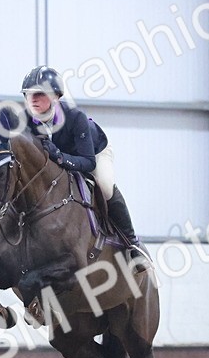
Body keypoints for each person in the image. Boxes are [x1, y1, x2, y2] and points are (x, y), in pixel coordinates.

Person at [19, 65, 149, 267]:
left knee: (105, 185)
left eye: (39, 94)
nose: (32, 99)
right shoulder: (25, 119)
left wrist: (60, 157)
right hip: (61, 156)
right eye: (28, 95)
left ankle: (133, 244)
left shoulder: (75, 118)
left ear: (55, 96)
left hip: (94, 152)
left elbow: (88, 163)